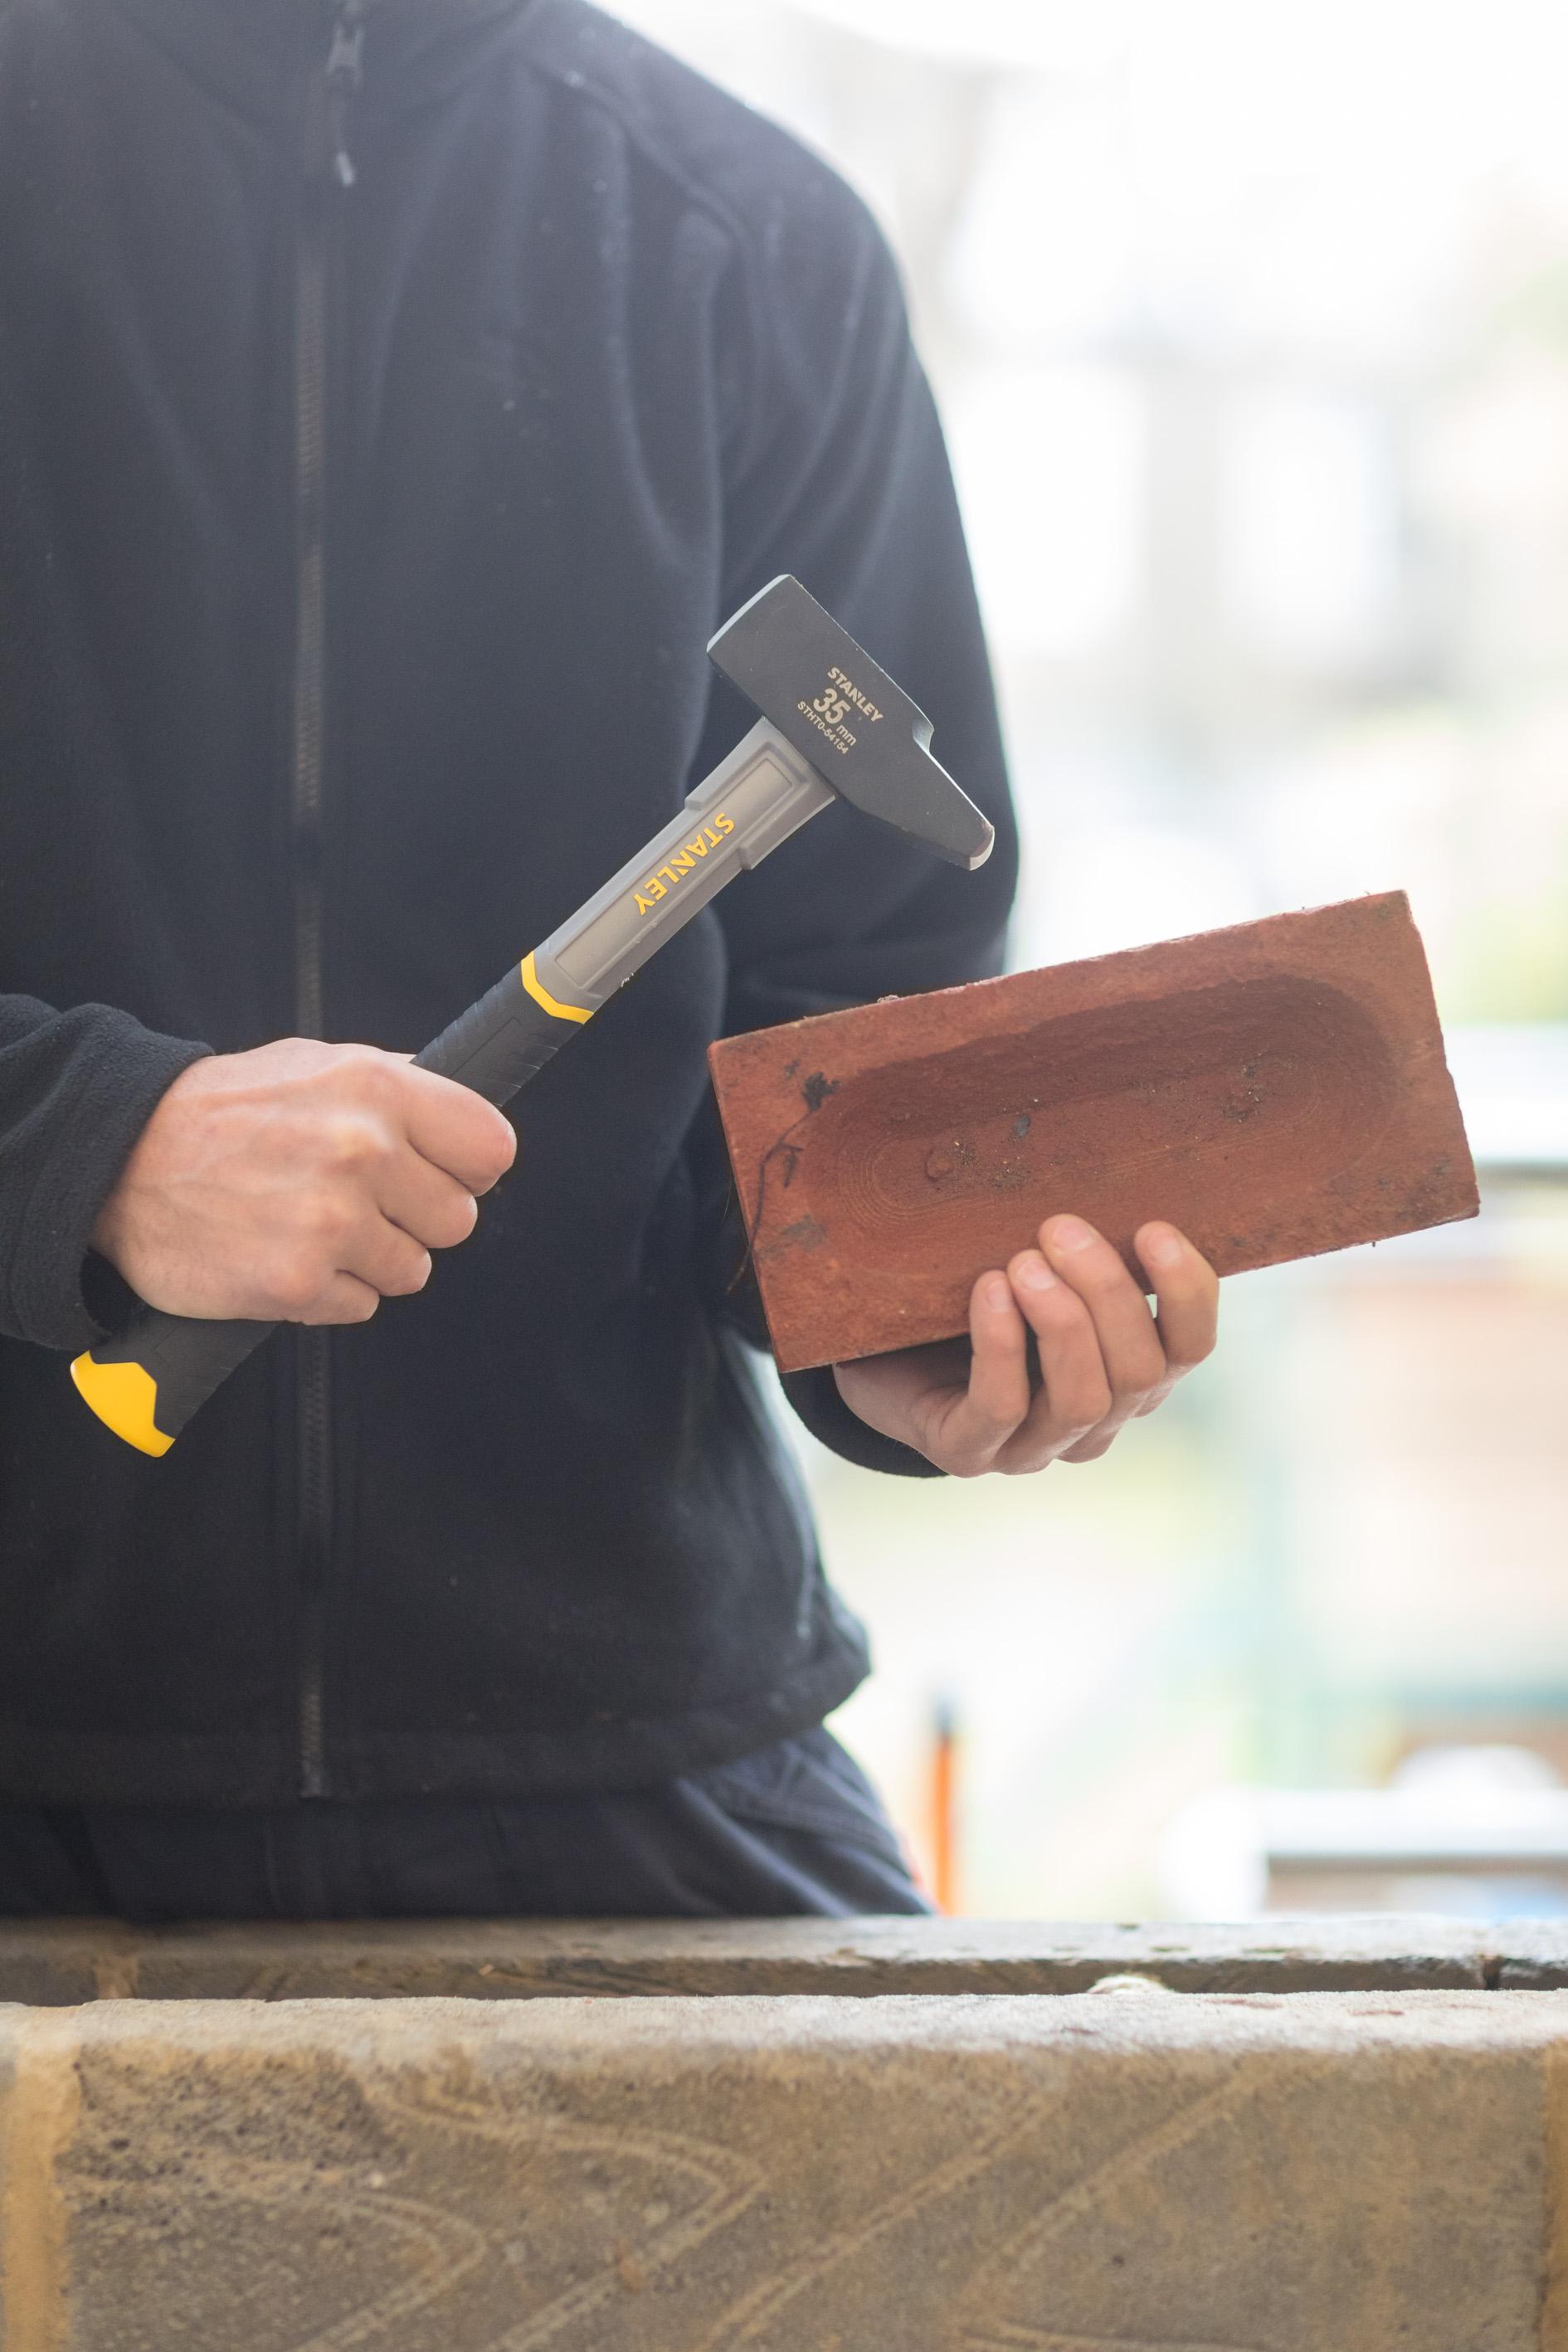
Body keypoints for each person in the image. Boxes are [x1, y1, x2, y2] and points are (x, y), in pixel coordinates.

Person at [0, 0, 1218, 1922]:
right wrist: (89, 1143)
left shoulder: (751, 241)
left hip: (628, 1736)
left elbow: (862, 993)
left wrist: (886, 1324)